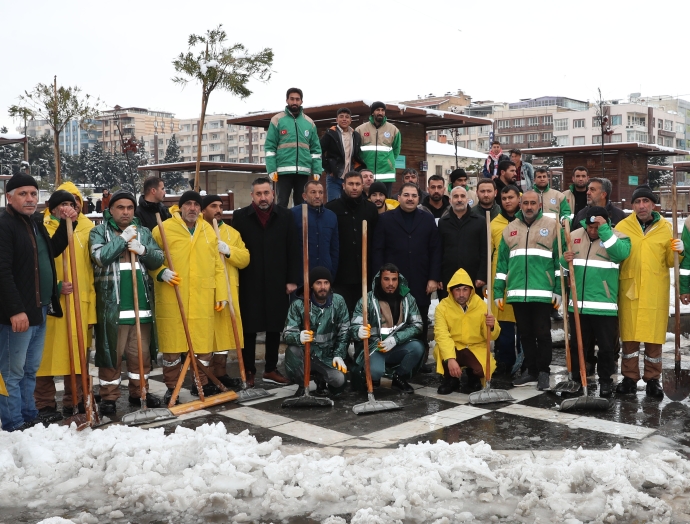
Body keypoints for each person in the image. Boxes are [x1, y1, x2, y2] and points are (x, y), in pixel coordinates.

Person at [0, 173, 77, 432]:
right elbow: (2, 271)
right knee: (12, 372)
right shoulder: (4, 224)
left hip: (40, 307)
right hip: (19, 313)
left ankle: (29, 415)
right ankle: (14, 423)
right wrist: (15, 310)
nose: (30, 198)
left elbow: (52, 250)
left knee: (30, 369)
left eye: (33, 193)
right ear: (8, 197)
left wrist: (70, 224)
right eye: (23, 194)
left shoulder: (34, 222)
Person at [90, 190, 165, 414]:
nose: (125, 212)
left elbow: (158, 258)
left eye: (130, 208)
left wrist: (142, 250)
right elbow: (100, 258)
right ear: (110, 210)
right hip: (113, 307)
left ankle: (139, 392)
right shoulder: (99, 232)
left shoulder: (142, 232)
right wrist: (122, 240)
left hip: (140, 307)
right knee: (111, 353)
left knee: (140, 356)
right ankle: (109, 397)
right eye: (120, 208)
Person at [151, 191, 229, 402]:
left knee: (204, 347)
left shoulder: (208, 231)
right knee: (172, 349)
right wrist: (159, 272)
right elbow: (150, 258)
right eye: (188, 204)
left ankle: (201, 384)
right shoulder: (163, 229)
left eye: (196, 204)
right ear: (180, 206)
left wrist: (221, 292)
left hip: (203, 297)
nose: (192, 208)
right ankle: (171, 388)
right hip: (173, 296)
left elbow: (218, 267)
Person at [35, 184, 96, 421]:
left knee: (77, 356)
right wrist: (55, 286)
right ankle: (45, 404)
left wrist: (91, 313)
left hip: (79, 305)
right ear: (53, 206)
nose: (69, 207)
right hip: (51, 306)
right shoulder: (41, 227)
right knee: (44, 358)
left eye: (73, 202)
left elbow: (91, 273)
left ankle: (76, 401)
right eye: (64, 203)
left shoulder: (89, 229)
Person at [232, 178, 299, 386]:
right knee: (249, 328)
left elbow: (293, 248)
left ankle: (270, 369)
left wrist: (292, 280)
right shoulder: (240, 217)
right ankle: (249, 370)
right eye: (259, 194)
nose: (263, 197)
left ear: (273, 194)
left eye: (266, 193)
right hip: (249, 280)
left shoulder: (286, 215)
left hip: (277, 280)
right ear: (252, 195)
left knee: (274, 325)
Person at [615, 185, 679, 398]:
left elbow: (671, 262)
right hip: (629, 290)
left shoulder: (665, 228)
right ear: (632, 205)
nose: (641, 206)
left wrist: (679, 250)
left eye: (645, 202)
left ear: (653, 204)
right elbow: (616, 256)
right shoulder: (623, 226)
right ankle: (629, 378)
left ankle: (653, 379)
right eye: (637, 202)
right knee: (630, 338)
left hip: (654, 291)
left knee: (653, 338)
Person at [494, 190, 561, 391]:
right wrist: (499, 291)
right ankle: (530, 370)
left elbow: (559, 261)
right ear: (520, 205)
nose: (529, 207)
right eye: (526, 203)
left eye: (533, 203)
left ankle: (543, 372)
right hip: (517, 292)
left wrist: (558, 288)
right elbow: (502, 264)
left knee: (542, 333)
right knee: (524, 335)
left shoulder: (552, 227)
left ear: (540, 205)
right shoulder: (510, 229)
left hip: (542, 292)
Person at [372, 182, 442, 372]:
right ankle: (395, 360)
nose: (410, 198)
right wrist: (380, 277)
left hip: (421, 280)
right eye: (406, 195)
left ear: (419, 199)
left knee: (419, 321)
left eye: (414, 195)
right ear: (398, 197)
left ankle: (418, 361)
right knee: (395, 320)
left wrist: (433, 278)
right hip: (393, 282)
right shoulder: (386, 219)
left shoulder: (427, 219)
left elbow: (435, 250)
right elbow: (378, 250)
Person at [562, 206, 630, 398]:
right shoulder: (573, 235)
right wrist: (562, 259)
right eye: (590, 226)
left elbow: (620, 254)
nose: (593, 231)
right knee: (578, 346)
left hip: (604, 307)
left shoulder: (618, 237)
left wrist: (604, 231)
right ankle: (577, 379)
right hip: (578, 305)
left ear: (606, 223)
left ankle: (606, 382)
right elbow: (563, 268)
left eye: (597, 226)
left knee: (607, 348)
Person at [201, 194, 250, 389]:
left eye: (220, 206)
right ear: (203, 210)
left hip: (228, 292)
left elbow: (245, 258)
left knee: (224, 335)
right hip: (207, 292)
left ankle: (220, 374)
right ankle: (204, 378)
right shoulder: (199, 232)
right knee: (206, 336)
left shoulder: (231, 233)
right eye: (213, 206)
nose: (218, 210)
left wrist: (228, 250)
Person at [351, 264, 424, 393]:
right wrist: (358, 331)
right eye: (386, 279)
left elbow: (417, 325)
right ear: (380, 279)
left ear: (398, 280)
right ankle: (369, 375)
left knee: (417, 348)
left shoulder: (408, 298)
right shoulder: (367, 299)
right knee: (376, 372)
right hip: (375, 348)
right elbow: (354, 326)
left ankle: (399, 377)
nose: (391, 283)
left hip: (397, 346)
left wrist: (396, 339)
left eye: (394, 279)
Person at [283, 267, 349, 396]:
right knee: (292, 351)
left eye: (326, 283)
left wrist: (338, 354)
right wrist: (299, 337)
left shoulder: (338, 302)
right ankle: (303, 385)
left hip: (327, 356)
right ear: (312, 285)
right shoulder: (298, 305)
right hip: (306, 354)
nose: (323, 287)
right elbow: (287, 333)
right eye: (318, 283)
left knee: (340, 381)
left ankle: (321, 379)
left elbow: (344, 331)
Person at [434, 268, 500, 394]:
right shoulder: (442, 307)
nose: (461, 294)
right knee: (441, 353)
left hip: (474, 347)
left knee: (482, 369)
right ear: (451, 291)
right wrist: (450, 358)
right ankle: (451, 379)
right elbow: (441, 335)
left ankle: (473, 375)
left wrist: (491, 327)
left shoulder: (480, 305)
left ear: (471, 290)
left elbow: (492, 336)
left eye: (465, 289)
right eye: (457, 290)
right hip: (454, 346)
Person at [326, 171, 379, 313]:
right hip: (342, 274)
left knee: (364, 315)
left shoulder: (371, 209)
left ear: (362, 186)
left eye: (357, 184)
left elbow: (376, 240)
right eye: (350, 184)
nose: (354, 187)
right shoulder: (332, 209)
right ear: (343, 186)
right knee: (343, 314)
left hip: (365, 273)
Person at [265, 88, 323, 207]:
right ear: (287, 100)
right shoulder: (277, 120)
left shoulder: (309, 123)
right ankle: (281, 226)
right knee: (281, 203)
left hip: (303, 171)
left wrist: (317, 169)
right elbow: (270, 146)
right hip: (283, 171)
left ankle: (300, 226)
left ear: (301, 101)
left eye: (297, 99)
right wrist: (271, 169)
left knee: (301, 204)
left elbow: (316, 150)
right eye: (292, 99)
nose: (294, 102)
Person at [490, 185, 522, 376]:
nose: (508, 201)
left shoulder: (526, 223)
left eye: (511, 197)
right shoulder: (494, 224)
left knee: (524, 325)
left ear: (518, 198)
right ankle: (505, 361)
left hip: (522, 281)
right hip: (501, 282)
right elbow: (488, 254)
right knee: (504, 326)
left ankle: (525, 361)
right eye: (504, 198)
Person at [438, 186, 487, 292]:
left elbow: (484, 251)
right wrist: (438, 277)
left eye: (462, 196)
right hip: (448, 279)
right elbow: (439, 252)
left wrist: (482, 275)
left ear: (468, 199)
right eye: (455, 196)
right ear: (450, 200)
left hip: (473, 279)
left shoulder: (480, 221)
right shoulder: (443, 223)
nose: (459, 199)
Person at [291, 180, 339, 282]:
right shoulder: (293, 215)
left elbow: (334, 248)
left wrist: (332, 273)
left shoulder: (331, 216)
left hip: (324, 275)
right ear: (304, 196)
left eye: (320, 192)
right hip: (301, 275)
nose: (317, 196)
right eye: (313, 192)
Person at [356, 101, 401, 196]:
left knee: (384, 202)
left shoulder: (393, 130)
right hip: (366, 175)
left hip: (386, 175)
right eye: (377, 110)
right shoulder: (360, 129)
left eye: (382, 110)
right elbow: (356, 151)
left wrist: (389, 161)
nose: (380, 112)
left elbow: (396, 150)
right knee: (365, 202)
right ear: (372, 112)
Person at [320, 108, 365, 202]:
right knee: (334, 205)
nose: (344, 119)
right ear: (337, 119)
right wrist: (329, 169)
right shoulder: (330, 134)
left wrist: (358, 169)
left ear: (350, 120)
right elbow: (319, 151)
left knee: (350, 205)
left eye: (347, 117)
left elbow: (357, 155)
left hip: (350, 178)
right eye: (341, 117)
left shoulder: (355, 135)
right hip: (334, 177)